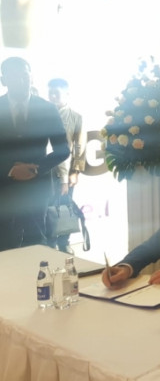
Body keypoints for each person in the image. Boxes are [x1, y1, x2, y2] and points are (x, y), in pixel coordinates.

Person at [0, 57, 70, 251]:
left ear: (31, 77)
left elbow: (63, 149)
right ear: (3, 80)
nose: (21, 81)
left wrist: (36, 169)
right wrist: (10, 170)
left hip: (37, 189)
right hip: (3, 189)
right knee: (4, 247)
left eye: (25, 75)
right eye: (14, 76)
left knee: (37, 245)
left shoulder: (47, 108)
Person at [46, 78, 86, 253]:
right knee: (46, 207)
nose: (53, 96)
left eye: (57, 93)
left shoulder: (76, 117)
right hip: (45, 171)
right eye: (50, 93)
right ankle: (49, 243)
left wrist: (75, 171)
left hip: (67, 171)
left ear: (67, 94)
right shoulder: (42, 115)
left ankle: (64, 242)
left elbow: (79, 146)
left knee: (64, 206)